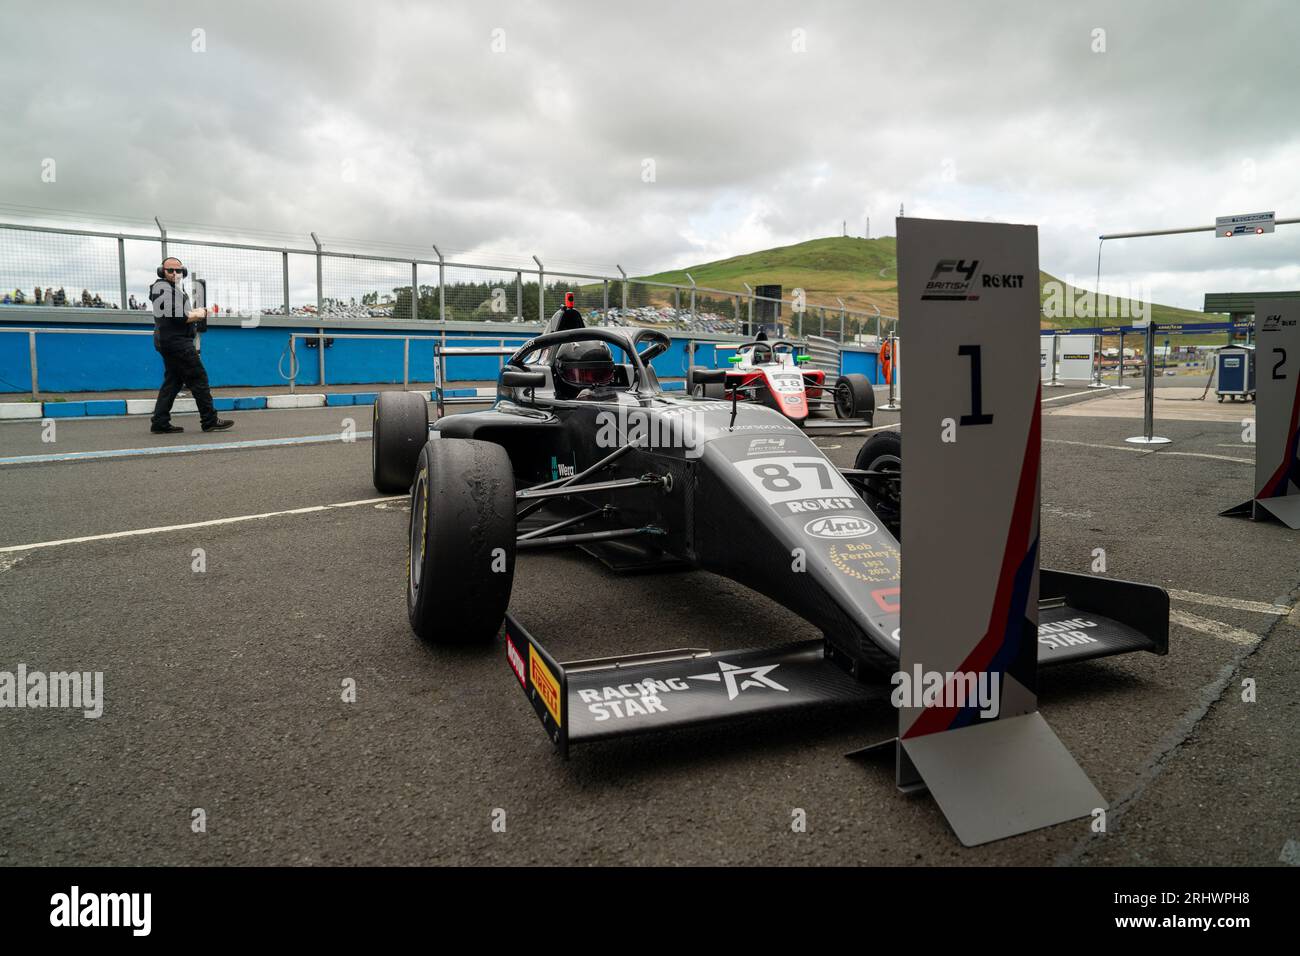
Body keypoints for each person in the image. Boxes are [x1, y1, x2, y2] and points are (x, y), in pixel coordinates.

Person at [149, 256, 232, 434]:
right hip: (177, 343)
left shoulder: (173, 289)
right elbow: (180, 317)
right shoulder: (162, 288)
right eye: (170, 270)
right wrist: (200, 314)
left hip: (171, 341)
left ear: (183, 272)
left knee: (173, 382)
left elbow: (182, 313)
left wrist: (199, 312)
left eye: (178, 270)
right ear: (162, 271)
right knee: (199, 378)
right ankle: (209, 420)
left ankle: (159, 421)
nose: (174, 273)